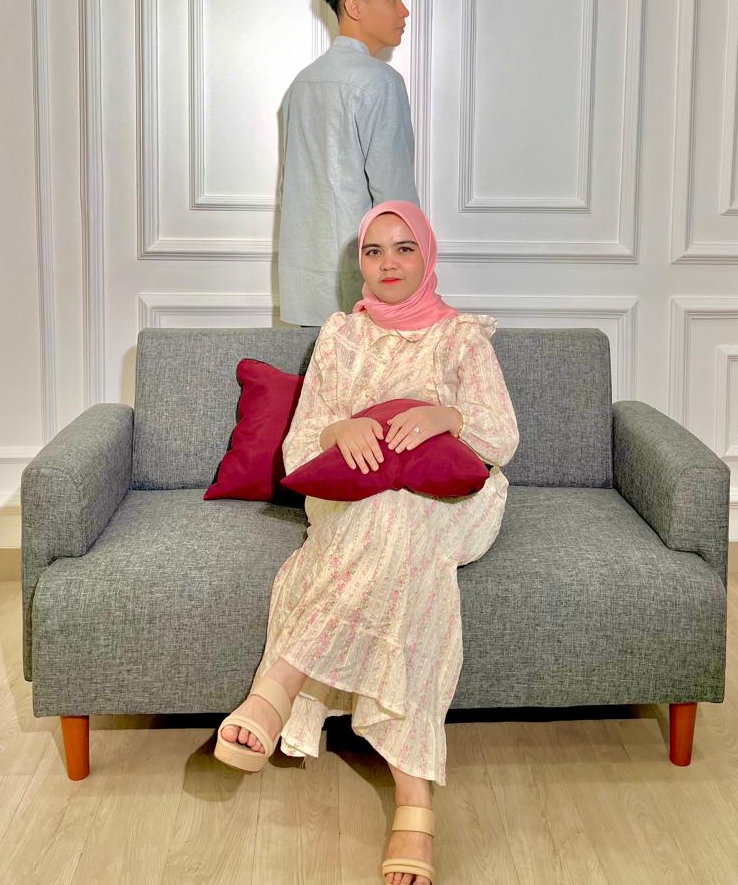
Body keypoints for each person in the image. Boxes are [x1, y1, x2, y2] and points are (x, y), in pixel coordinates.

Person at [215, 201, 519, 885]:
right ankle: (415, 801)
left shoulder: (462, 337)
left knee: (403, 523)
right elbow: (301, 444)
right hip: (353, 496)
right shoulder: (341, 336)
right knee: (392, 531)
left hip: (454, 501)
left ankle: (277, 687)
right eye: (374, 250)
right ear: (361, 262)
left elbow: (501, 439)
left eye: (404, 248)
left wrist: (446, 417)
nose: (388, 263)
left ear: (427, 256)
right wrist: (338, 430)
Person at [278, 0, 419, 327]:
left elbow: (292, 189)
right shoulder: (381, 82)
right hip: (367, 290)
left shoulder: (302, 84)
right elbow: (395, 199)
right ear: (355, 7)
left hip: (306, 287)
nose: (404, 10)